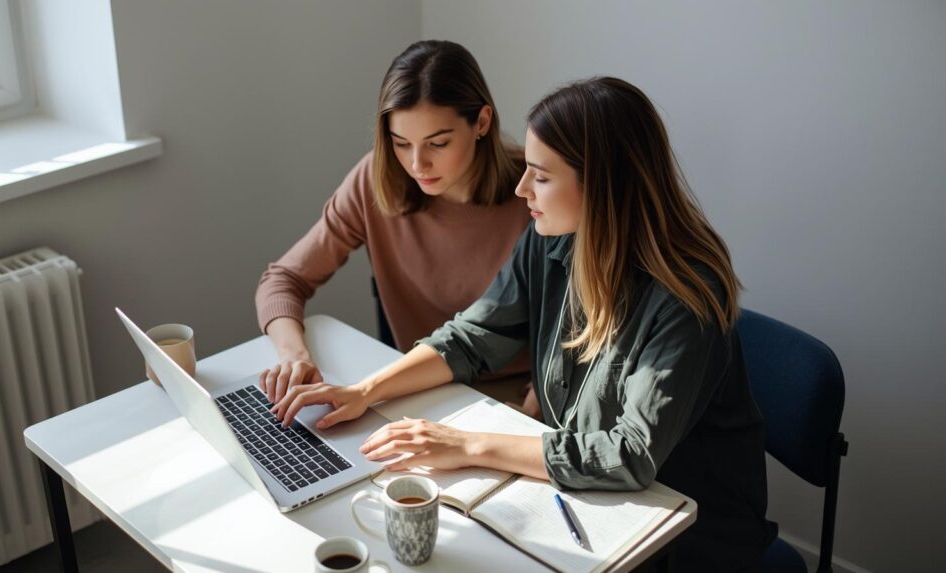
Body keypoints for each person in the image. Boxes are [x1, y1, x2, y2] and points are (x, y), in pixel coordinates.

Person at [270, 77, 777, 571]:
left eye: (541, 175)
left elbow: (628, 455)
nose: (521, 187)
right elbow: (472, 336)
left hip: (683, 533)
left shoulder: (686, 296)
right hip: (590, 502)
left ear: (602, 185)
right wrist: (364, 391)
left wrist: (467, 445)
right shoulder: (552, 239)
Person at [255, 40, 534, 410]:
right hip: (415, 388)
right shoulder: (375, 180)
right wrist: (294, 355)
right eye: (401, 143)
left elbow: (589, 320)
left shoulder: (534, 189)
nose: (417, 163)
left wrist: (539, 402)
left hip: (517, 394)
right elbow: (282, 280)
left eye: (438, 143)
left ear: (481, 122)